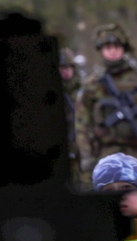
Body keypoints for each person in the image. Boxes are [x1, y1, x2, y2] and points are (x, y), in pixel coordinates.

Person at [76, 23, 137, 203]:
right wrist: (87, 156)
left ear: (124, 49)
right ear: (101, 50)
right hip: (107, 150)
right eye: (108, 47)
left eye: (116, 47)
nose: (112, 51)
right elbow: (82, 123)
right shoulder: (93, 85)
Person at [58, 47, 84, 186]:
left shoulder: (83, 91)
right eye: (62, 67)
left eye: (69, 67)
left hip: (82, 150)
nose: (66, 71)